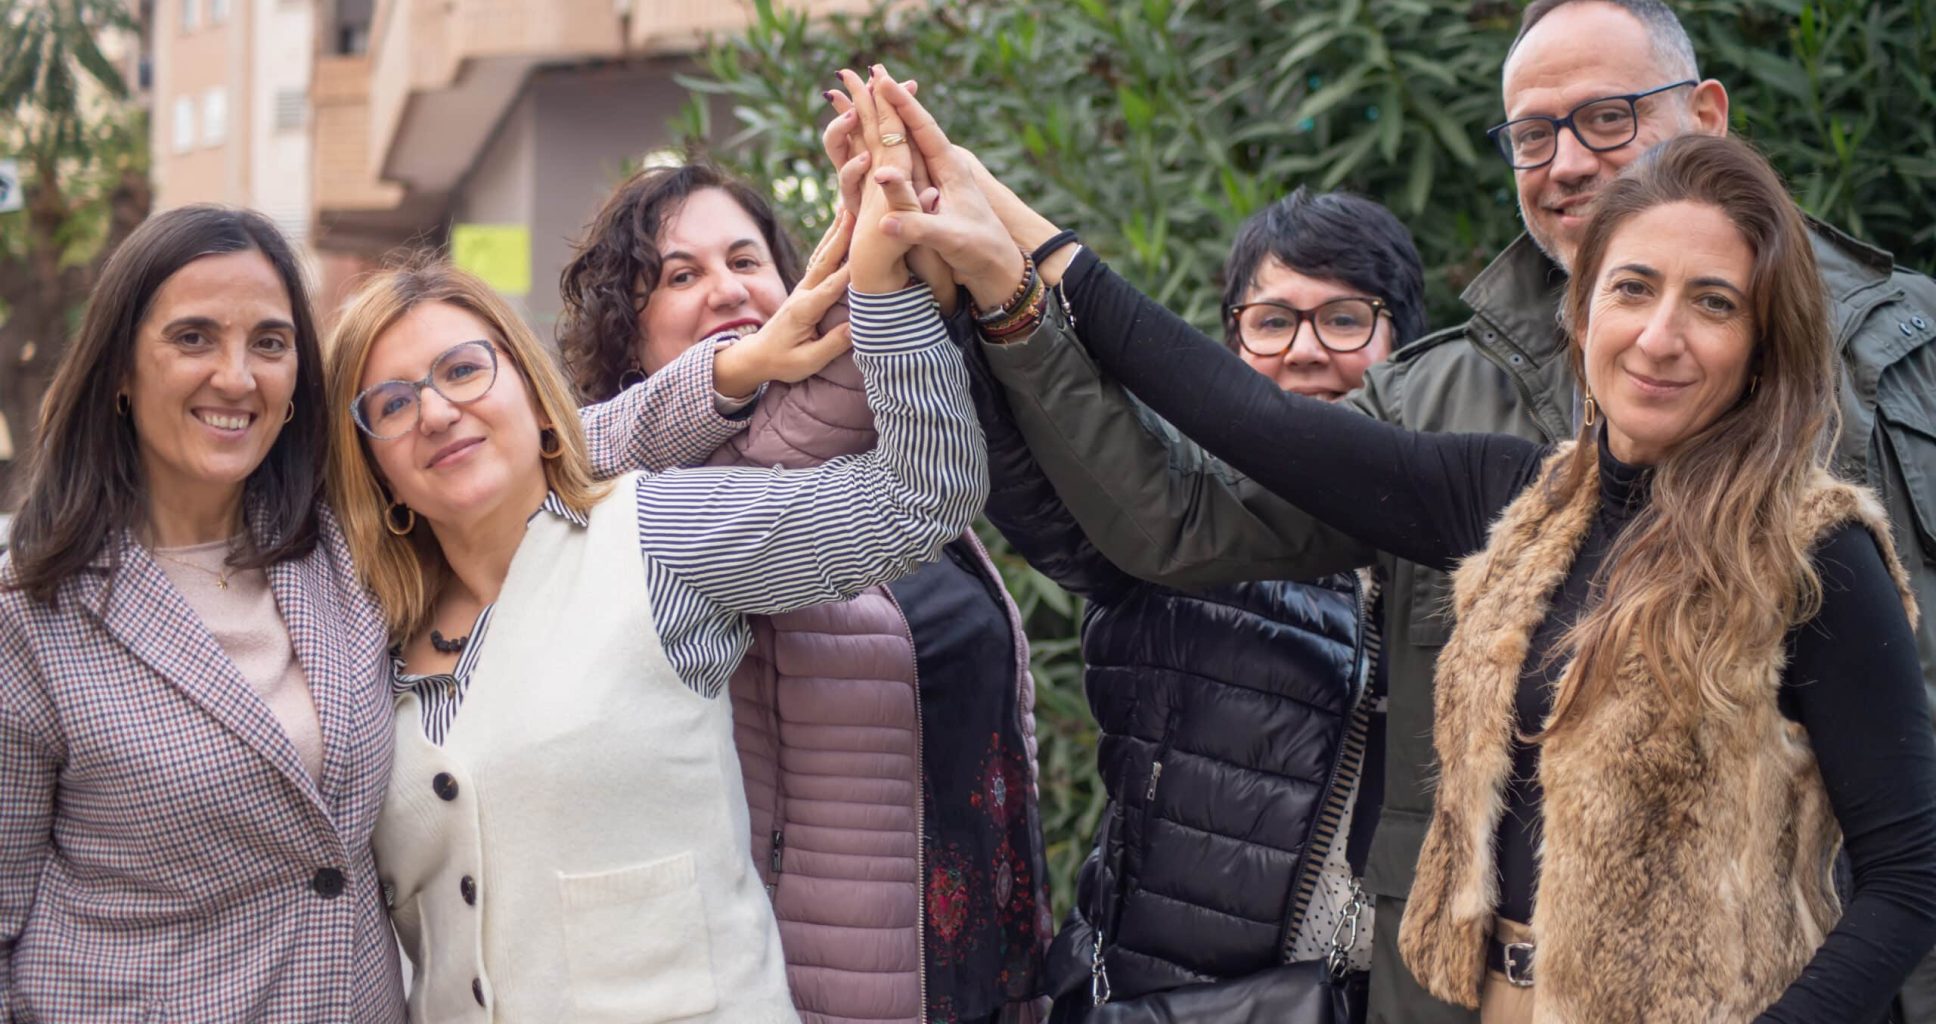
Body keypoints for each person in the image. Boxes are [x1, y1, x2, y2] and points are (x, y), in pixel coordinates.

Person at [880, 2, 1936, 1019]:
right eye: (1631, 289)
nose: (1660, 335)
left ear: (1762, 337)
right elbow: (1239, 415)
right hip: (1484, 993)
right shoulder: (1503, 493)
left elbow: (1908, 864)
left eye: (1713, 303)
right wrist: (1009, 246)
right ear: (1584, 309)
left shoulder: (1810, 543)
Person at [0, 202, 843, 1020]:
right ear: (119, 367)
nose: (237, 375)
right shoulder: (31, 611)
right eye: (193, 338)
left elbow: (527, 447)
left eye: (270, 342)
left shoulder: (335, 550)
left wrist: (742, 365)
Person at [324, 76, 993, 1022]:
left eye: (465, 370)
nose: (435, 411)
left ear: (533, 393)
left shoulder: (657, 534)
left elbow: (925, 497)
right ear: (373, 464)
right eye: (391, 403)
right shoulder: (361, 639)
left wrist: (882, 285)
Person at [554, 134, 1051, 1024]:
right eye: (677, 275)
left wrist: (884, 224)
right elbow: (551, 461)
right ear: (625, 332)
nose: (727, 288)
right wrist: (739, 367)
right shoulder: (652, 503)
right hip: (823, 991)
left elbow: (860, 378)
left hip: (982, 970)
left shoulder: (885, 437)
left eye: (746, 259)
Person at [951, 187, 1426, 1021]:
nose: (1306, 351)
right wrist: (965, 301)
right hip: (1165, 996)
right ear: (1228, 346)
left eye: (1345, 319)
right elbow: (1038, 479)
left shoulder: (1460, 534)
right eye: (1272, 320)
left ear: (1406, 348)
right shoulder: (1176, 512)